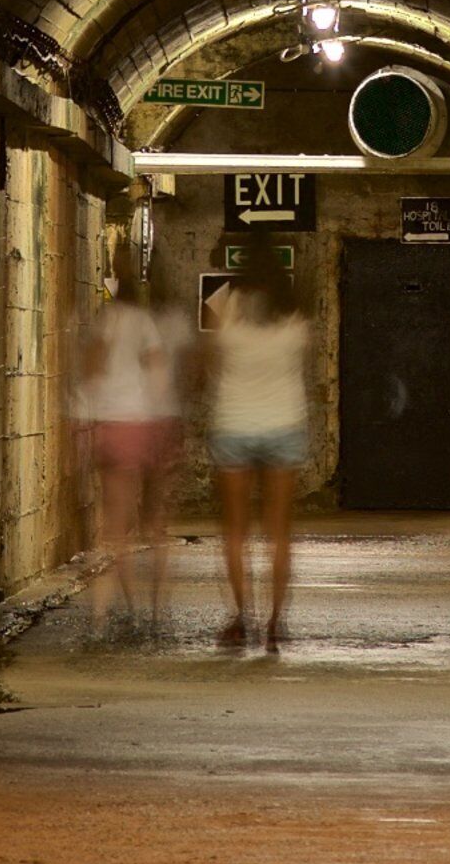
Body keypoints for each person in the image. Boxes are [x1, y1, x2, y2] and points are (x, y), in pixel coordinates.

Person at [200, 251, 315, 651]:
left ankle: (240, 617)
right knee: (279, 532)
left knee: (235, 532)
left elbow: (206, 365)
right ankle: (275, 623)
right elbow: (304, 363)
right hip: (284, 425)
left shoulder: (223, 306)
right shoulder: (295, 315)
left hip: (234, 425)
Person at [72, 274, 185, 632]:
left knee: (114, 524)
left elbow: (89, 373)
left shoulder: (105, 321)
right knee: (155, 518)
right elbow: (157, 372)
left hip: (109, 424)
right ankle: (155, 604)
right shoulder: (145, 322)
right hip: (142, 421)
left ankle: (118, 606)